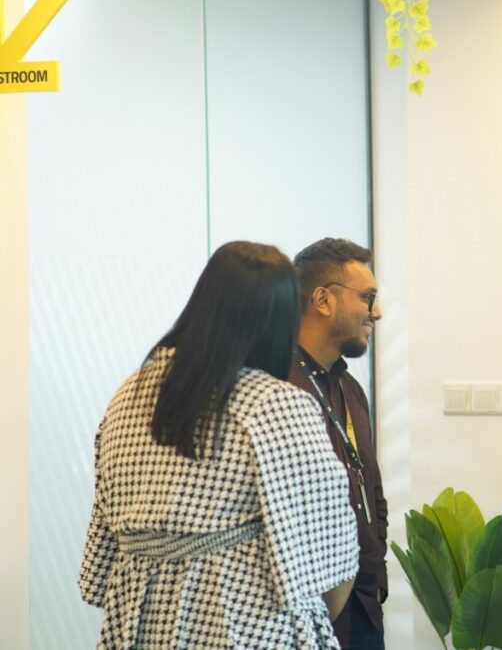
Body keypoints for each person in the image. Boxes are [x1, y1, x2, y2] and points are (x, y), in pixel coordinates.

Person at [79, 241, 359, 649]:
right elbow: (332, 561)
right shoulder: (275, 405)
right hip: (243, 625)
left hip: (136, 628)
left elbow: (99, 561)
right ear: (278, 322)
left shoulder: (127, 396)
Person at [290, 238, 388, 650]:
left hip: (364, 606)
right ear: (323, 299)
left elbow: (372, 492)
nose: (376, 313)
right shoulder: (278, 390)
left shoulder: (350, 388)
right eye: (368, 298)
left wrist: (375, 575)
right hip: (306, 614)